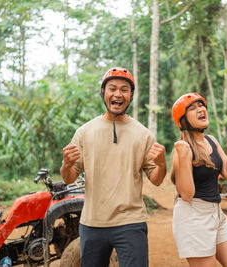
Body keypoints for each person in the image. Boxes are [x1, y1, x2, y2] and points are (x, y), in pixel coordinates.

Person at [60, 67, 167, 267]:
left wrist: (162, 164)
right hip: (93, 223)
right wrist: (66, 164)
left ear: (131, 95)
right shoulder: (85, 132)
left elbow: (157, 179)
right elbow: (69, 178)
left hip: (131, 223)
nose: (118, 94)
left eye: (124, 89)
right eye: (112, 88)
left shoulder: (144, 135)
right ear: (103, 92)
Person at [171, 92, 227, 267]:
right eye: (193, 108)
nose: (200, 109)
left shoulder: (211, 140)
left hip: (216, 214)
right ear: (183, 120)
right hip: (193, 217)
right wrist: (184, 158)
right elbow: (186, 194)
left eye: (201, 106)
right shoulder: (182, 149)